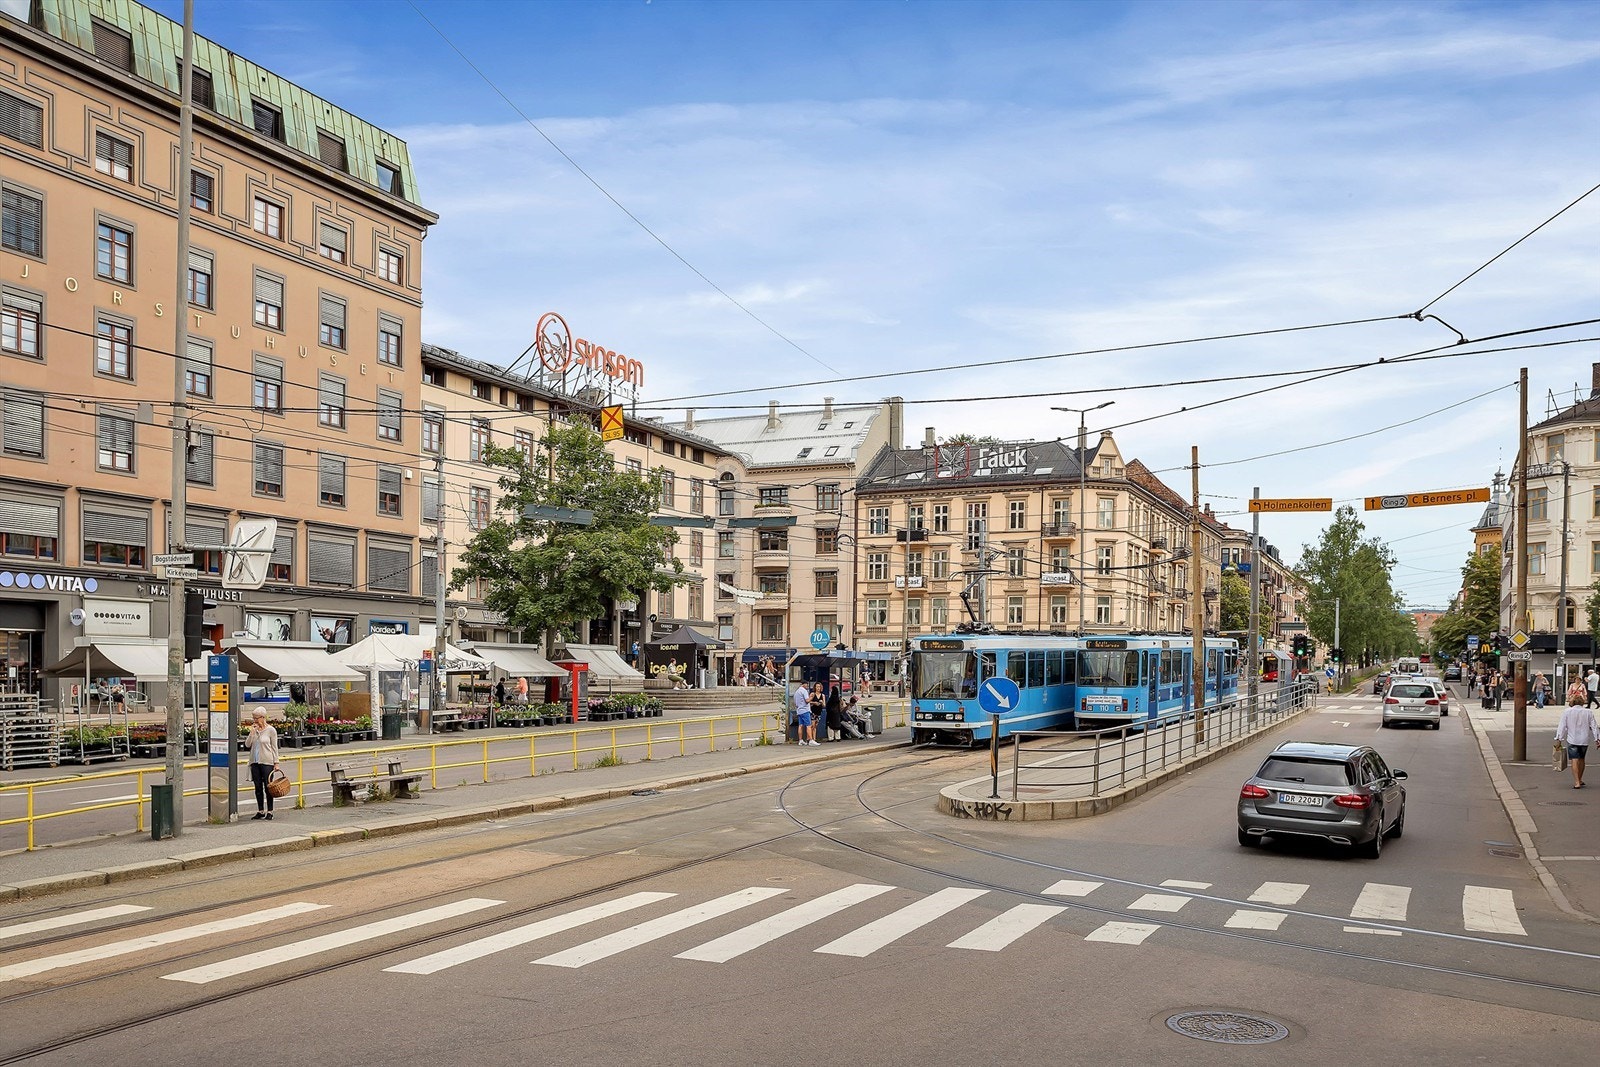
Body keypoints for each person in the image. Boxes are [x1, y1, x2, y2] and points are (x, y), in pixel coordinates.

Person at [1555, 689, 1600, 789]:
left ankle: (1576, 782)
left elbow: (1562, 726)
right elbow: (1594, 726)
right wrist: (1597, 739)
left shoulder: (1567, 712)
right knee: (1582, 759)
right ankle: (1580, 778)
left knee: (1574, 759)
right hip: (1584, 739)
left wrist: (1559, 739)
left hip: (1572, 739)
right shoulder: (1588, 712)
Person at [246, 710, 280, 820]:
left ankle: (270, 811)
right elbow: (247, 744)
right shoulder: (254, 731)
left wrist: (276, 762)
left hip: (267, 762)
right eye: (254, 718)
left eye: (256, 718)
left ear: (263, 717)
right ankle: (260, 810)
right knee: (258, 787)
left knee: (268, 787)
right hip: (255, 762)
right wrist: (252, 733)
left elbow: (274, 747)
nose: (255, 720)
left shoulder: (271, 730)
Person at [791, 678, 816, 746]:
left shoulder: (797, 692)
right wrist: (811, 697)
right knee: (808, 725)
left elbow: (795, 703)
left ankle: (800, 740)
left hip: (799, 711)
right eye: (806, 684)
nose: (807, 686)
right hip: (805, 710)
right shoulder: (804, 691)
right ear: (803, 684)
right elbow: (807, 700)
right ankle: (811, 740)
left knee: (800, 725)